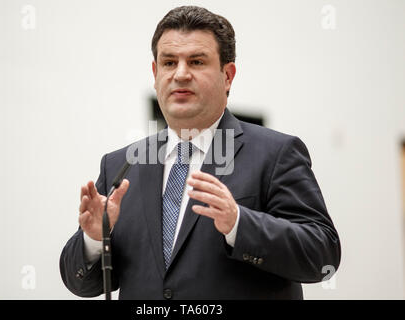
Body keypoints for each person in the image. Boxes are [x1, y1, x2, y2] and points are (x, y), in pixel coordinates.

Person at [60, 5, 341, 300]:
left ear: (228, 76)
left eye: (196, 61)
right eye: (169, 63)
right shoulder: (122, 165)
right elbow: (81, 284)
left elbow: (322, 256)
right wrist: (94, 238)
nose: (180, 74)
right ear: (155, 73)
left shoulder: (276, 153)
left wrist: (239, 224)